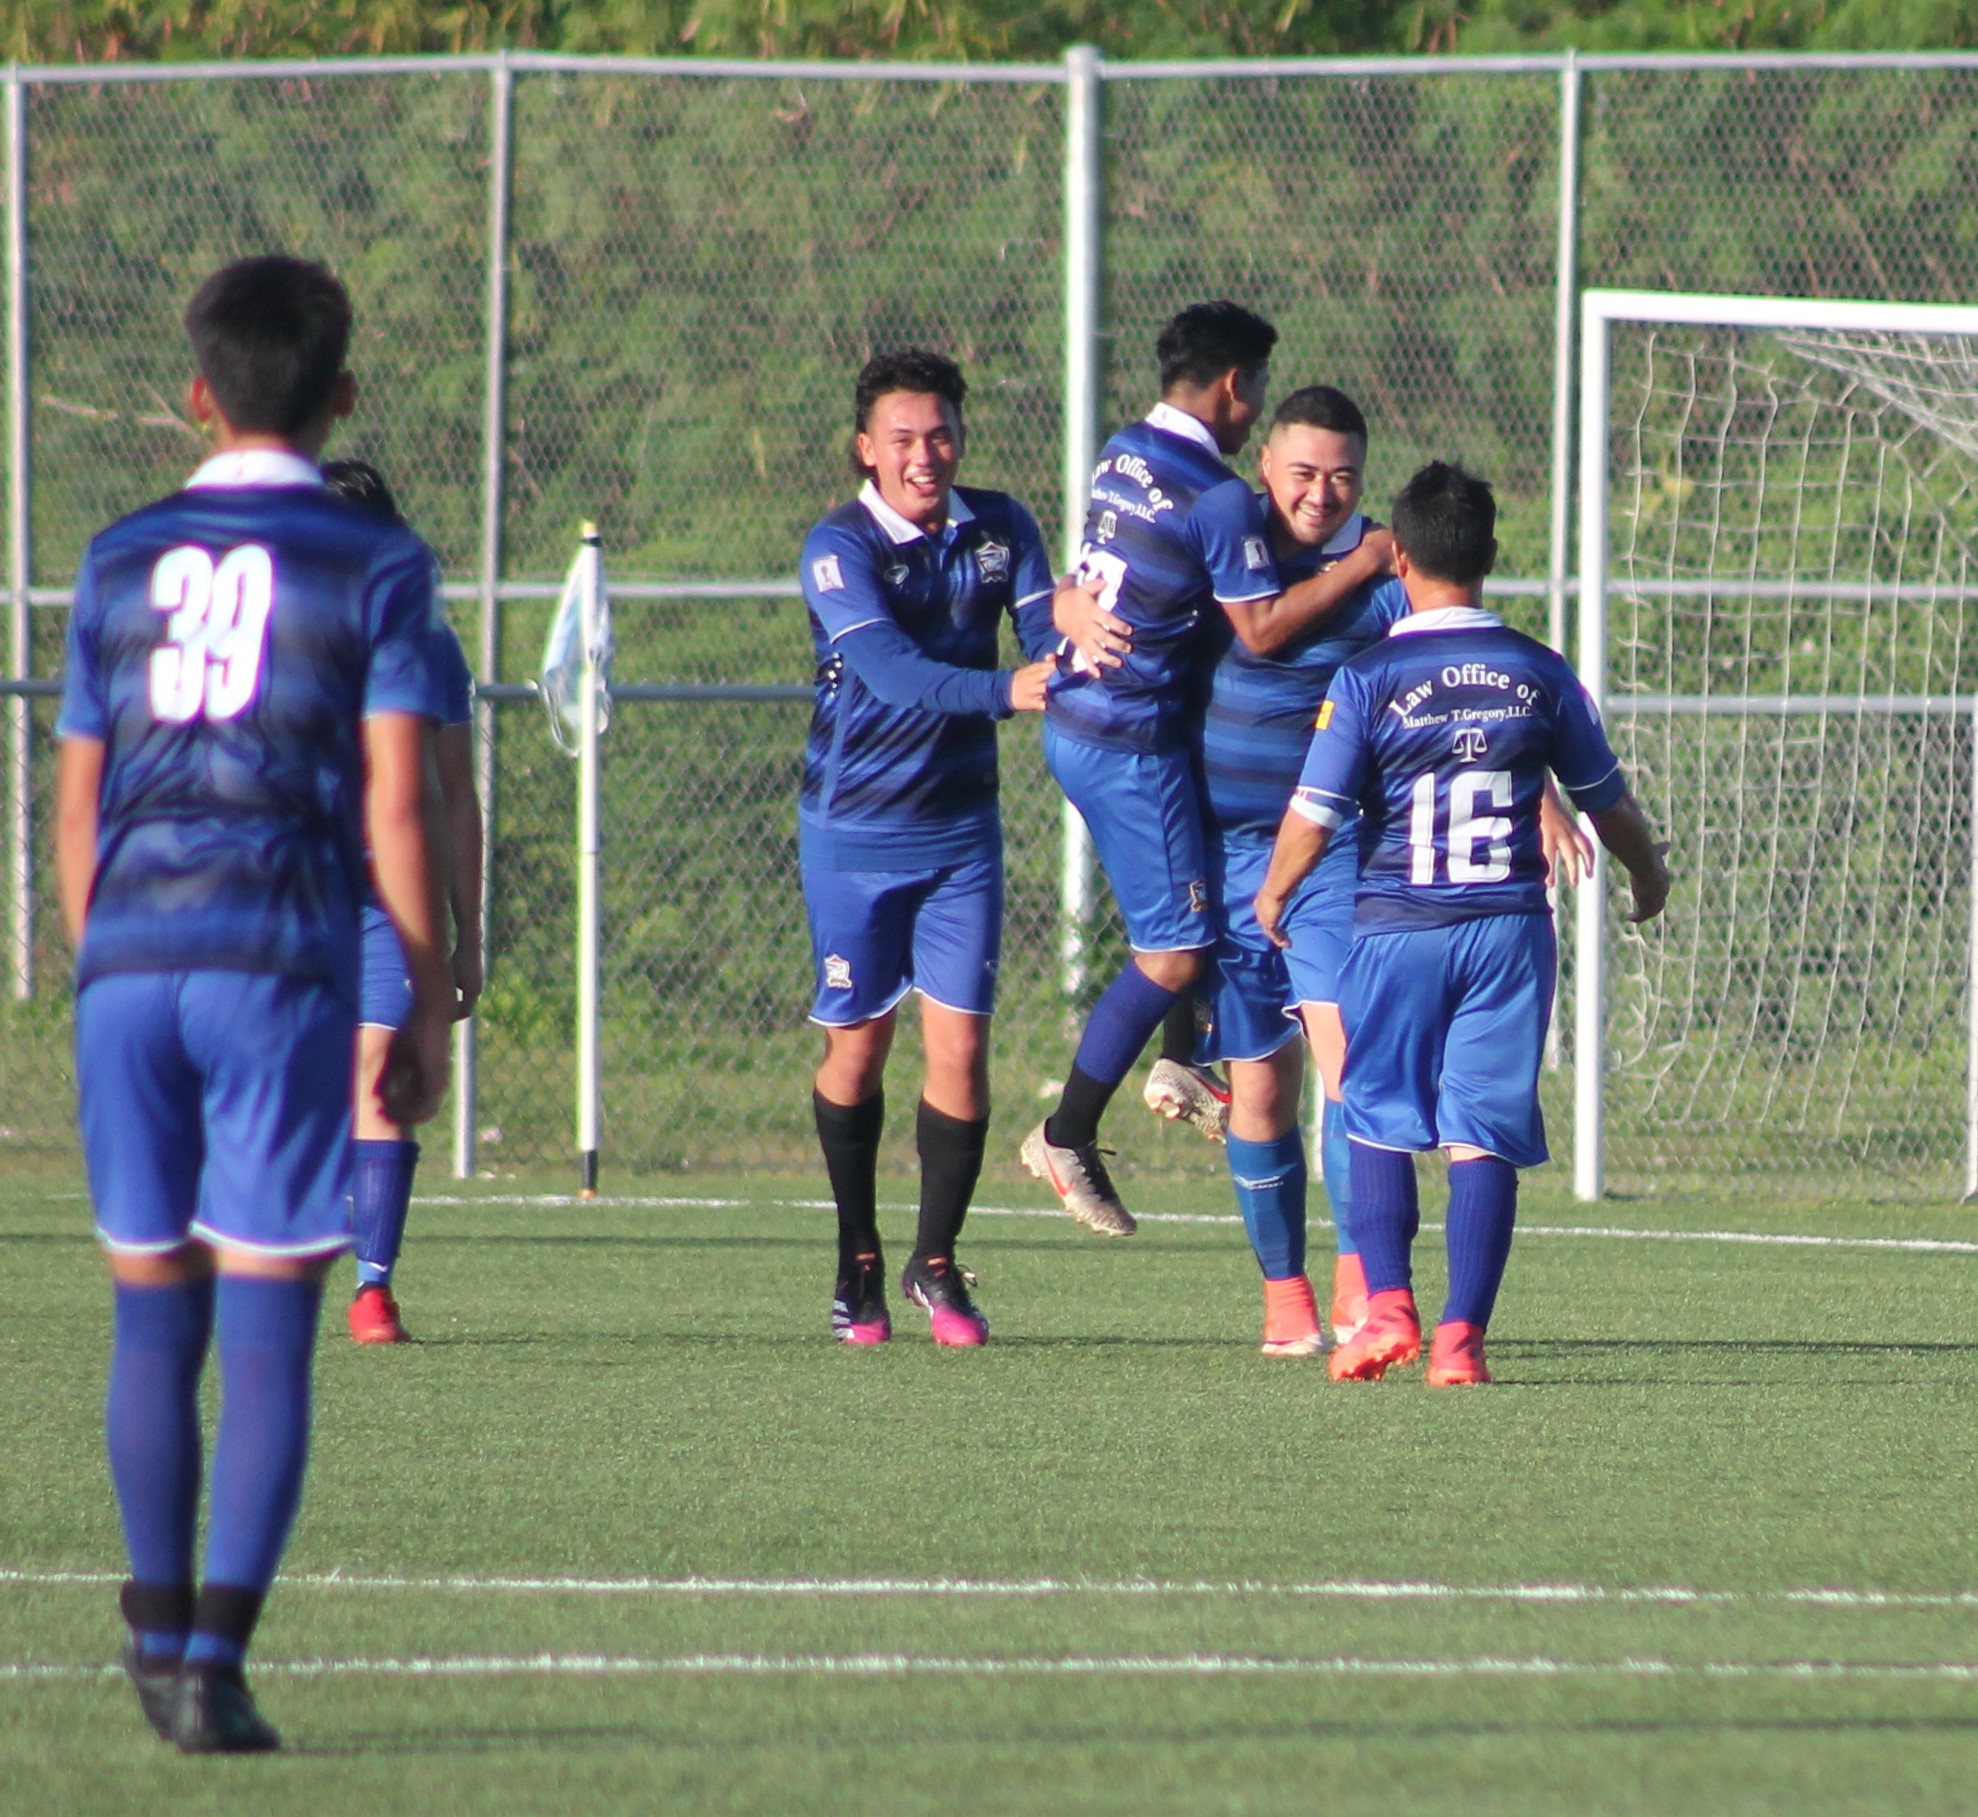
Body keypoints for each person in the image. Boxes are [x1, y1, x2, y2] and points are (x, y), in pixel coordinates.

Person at [54, 256, 451, 1751]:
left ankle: (152, 1630)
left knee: (151, 1311)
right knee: (272, 1314)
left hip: (130, 970)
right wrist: (413, 1004)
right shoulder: (373, 564)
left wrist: (105, 969)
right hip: (278, 967)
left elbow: (78, 807)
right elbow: (398, 807)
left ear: (197, 396)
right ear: (341, 393)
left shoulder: (119, 555)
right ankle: (211, 1661)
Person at [1254, 461, 1669, 1386]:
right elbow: (1607, 802)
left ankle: (1387, 1307)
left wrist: (1276, 891)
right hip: (1507, 932)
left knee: (1379, 1114)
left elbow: (1315, 810)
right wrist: (1650, 871)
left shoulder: (1369, 675)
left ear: (1398, 557)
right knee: (1481, 1131)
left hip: (1398, 924)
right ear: (1489, 555)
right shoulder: (1539, 671)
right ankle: (1460, 1342)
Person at [1020, 302, 1382, 1239]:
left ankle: (1185, 1060)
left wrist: (1061, 601)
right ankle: (1066, 1134)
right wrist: (1367, 560)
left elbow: (1110, 570)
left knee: (1199, 896)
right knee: (1176, 948)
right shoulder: (1217, 496)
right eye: (1256, 393)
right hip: (1126, 739)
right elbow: (1259, 629)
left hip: (1083, 717)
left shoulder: (1121, 450)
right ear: (1236, 387)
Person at [799, 348, 1059, 1347]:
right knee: (857, 1048)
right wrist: (1009, 690)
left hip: (960, 835)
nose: (924, 454)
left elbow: (1046, 635)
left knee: (961, 1051)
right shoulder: (837, 546)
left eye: (940, 434)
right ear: (866, 448)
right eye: (901, 438)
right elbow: (894, 673)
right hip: (851, 837)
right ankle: (856, 1257)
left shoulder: (1000, 527)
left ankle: (935, 1262)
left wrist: (1078, 641)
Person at [320, 459, 483, 1345]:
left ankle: (373, 1288)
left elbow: (455, 794)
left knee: (380, 1075)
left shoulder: (428, 647)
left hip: (387, 899)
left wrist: (467, 935)